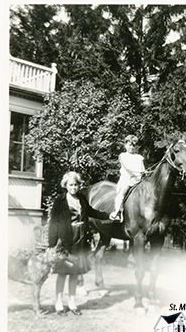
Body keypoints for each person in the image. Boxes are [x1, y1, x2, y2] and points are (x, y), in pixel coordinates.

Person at [48, 171, 109, 315]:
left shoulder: (81, 199)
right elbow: (54, 223)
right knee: (62, 273)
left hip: (81, 241)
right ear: (66, 185)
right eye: (71, 185)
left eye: (76, 185)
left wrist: (108, 215)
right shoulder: (60, 201)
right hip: (66, 241)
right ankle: (58, 304)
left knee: (75, 273)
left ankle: (72, 303)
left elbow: (92, 212)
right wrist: (52, 245)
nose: (73, 187)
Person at [110, 135, 145, 221]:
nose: (131, 147)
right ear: (125, 145)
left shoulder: (139, 158)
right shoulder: (123, 156)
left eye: (133, 145)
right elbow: (127, 169)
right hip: (127, 179)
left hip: (138, 180)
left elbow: (143, 169)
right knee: (122, 192)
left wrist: (144, 172)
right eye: (129, 145)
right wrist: (136, 173)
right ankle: (117, 211)